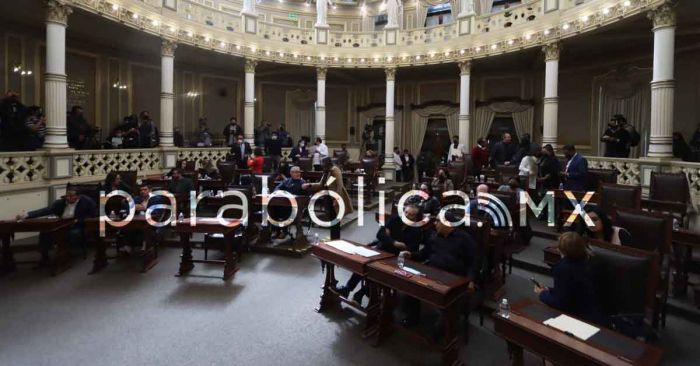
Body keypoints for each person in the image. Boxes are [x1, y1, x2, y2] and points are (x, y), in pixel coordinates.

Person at [400, 211, 478, 326]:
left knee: (444, 306)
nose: (434, 223)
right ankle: (413, 319)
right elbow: (424, 253)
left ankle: (443, 329)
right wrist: (411, 255)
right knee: (412, 287)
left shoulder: (464, 239)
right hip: (432, 272)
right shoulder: (434, 236)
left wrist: (471, 280)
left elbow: (474, 262)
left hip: (454, 278)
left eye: (437, 221)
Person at [336, 205, 424, 303]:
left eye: (411, 215)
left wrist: (389, 237)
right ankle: (347, 289)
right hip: (381, 250)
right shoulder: (395, 219)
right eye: (406, 212)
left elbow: (410, 248)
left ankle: (359, 294)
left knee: (377, 271)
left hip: (396, 257)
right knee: (363, 264)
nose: (407, 216)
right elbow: (380, 234)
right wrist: (395, 242)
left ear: (416, 218)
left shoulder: (416, 231)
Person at [535, 232, 605, 325]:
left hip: (579, 318)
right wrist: (550, 290)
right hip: (597, 312)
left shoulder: (563, 268)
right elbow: (574, 290)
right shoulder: (590, 260)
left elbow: (562, 304)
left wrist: (542, 294)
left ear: (561, 250)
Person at [17, 187, 97, 265]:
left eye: (71, 196)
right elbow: (46, 210)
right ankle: (45, 256)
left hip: (78, 225)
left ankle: (64, 254)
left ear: (78, 196)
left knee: (71, 234)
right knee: (45, 232)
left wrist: (78, 220)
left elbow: (93, 215)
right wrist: (26, 215)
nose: (68, 198)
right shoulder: (60, 202)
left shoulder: (87, 202)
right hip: (61, 224)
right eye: (67, 196)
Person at [304, 157, 353, 240]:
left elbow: (339, 186)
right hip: (328, 197)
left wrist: (336, 200)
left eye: (323, 163)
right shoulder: (326, 172)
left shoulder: (335, 170)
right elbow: (321, 185)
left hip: (335, 197)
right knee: (332, 219)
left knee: (336, 220)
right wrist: (309, 185)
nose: (321, 164)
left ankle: (336, 239)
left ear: (327, 163)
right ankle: (333, 238)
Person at [270, 166, 307, 239]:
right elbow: (277, 188)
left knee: (286, 210)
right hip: (283, 203)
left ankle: (284, 231)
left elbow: (305, 196)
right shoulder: (287, 181)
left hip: (295, 206)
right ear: (291, 173)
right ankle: (276, 230)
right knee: (272, 208)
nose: (297, 174)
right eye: (294, 172)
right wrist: (281, 193)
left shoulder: (303, 183)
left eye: (298, 172)